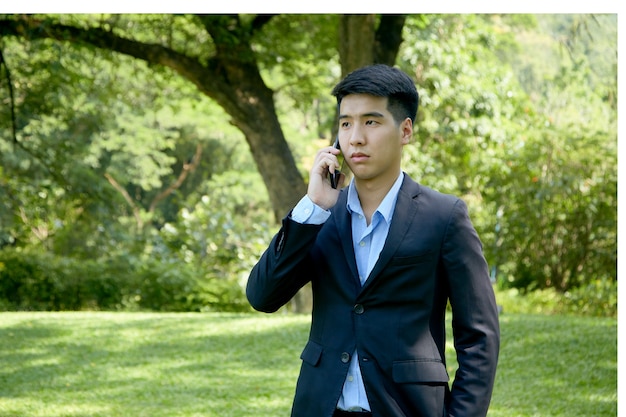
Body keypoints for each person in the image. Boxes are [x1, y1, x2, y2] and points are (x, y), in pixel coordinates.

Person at [246, 64, 500, 417]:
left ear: (405, 131)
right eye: (346, 123)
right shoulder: (322, 216)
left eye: (371, 121)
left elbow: (479, 336)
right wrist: (314, 207)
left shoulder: (444, 217)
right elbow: (262, 296)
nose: (355, 138)